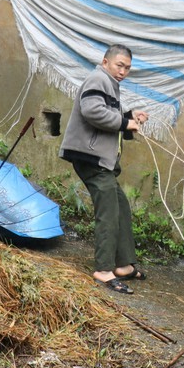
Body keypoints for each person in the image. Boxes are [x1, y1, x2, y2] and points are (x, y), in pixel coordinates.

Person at [60, 44, 150, 294]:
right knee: (109, 213)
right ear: (105, 62)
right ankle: (103, 269)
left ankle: (123, 265)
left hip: (100, 160)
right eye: (119, 65)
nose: (123, 71)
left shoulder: (109, 83)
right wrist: (125, 122)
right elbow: (92, 111)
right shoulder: (98, 78)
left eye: (127, 68)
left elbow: (109, 116)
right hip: (90, 158)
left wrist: (130, 116)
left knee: (120, 206)